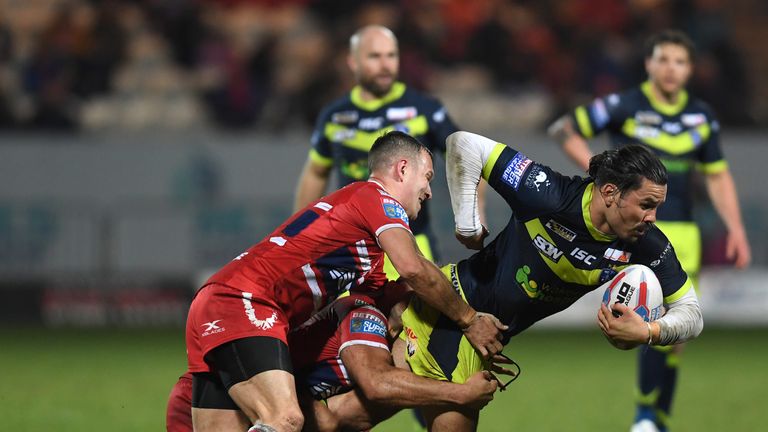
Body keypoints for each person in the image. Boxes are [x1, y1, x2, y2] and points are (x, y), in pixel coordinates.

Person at [184, 131, 504, 432]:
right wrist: (469, 319)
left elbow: (394, 305)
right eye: (428, 178)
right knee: (285, 419)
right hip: (247, 302)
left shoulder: (363, 247)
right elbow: (413, 269)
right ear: (403, 169)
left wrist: (448, 342)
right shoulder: (377, 198)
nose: (429, 191)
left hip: (215, 304)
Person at [396, 131, 704, 432]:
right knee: (358, 406)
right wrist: (467, 223)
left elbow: (691, 312)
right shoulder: (547, 193)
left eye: (656, 208)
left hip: (481, 335)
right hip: (456, 311)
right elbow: (463, 143)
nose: (652, 217)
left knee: (355, 410)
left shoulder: (646, 244)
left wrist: (650, 331)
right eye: (646, 205)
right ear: (610, 193)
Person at [548, 30, 751, 432]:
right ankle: (645, 414)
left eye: (679, 62)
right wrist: (605, 173)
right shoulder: (624, 105)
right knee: (649, 317)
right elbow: (562, 129)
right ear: (649, 64)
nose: (670, 69)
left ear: (690, 69)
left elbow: (717, 176)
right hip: (635, 232)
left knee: (676, 334)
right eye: (663, 60)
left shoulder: (701, 116)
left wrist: (736, 228)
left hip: (685, 232)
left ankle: (655, 417)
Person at [168, 282, 500, 432]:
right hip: (210, 402)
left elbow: (352, 415)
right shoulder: (364, 315)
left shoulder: (382, 342)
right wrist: (460, 392)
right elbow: (368, 393)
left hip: (255, 407)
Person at [295, 24, 478, 279]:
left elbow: (464, 161)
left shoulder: (423, 108)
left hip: (412, 244)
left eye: (391, 55)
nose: (385, 64)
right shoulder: (334, 116)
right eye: (374, 56)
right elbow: (316, 173)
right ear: (353, 61)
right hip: (349, 250)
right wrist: (302, 237)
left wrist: (473, 215)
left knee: (419, 318)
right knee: (351, 319)